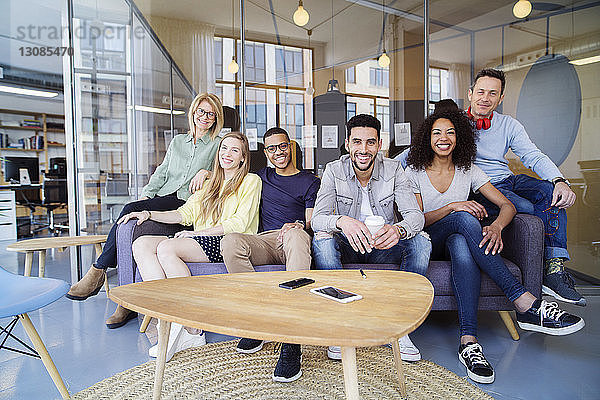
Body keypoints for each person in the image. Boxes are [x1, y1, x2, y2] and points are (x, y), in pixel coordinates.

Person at [405, 109, 584, 384]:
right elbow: (418, 220)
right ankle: (525, 301)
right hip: (427, 239)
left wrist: (497, 226)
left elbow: (507, 205)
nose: (444, 138)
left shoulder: (469, 170)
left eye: (451, 132)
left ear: (459, 138)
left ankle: (469, 342)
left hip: (456, 239)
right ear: (427, 139)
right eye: (437, 133)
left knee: (463, 245)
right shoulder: (414, 171)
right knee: (464, 218)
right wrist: (453, 206)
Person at [66, 92, 225, 329]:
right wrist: (147, 196)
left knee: (129, 210)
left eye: (211, 114)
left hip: (187, 203)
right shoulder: (178, 142)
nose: (205, 117)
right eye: (201, 111)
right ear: (193, 112)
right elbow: (162, 172)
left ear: (216, 118)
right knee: (130, 223)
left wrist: (207, 173)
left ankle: (98, 271)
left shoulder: (218, 144)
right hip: (164, 196)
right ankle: (127, 300)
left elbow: (228, 171)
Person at [118, 131, 261, 362]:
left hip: (228, 242)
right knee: (142, 244)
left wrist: (197, 234)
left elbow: (239, 223)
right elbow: (185, 213)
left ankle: (192, 327)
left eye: (235, 150)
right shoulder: (208, 183)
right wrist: (147, 213)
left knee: (168, 248)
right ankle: (168, 317)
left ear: (243, 158)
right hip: (199, 239)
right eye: (224, 148)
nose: (227, 154)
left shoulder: (250, 181)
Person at [311, 114, 431, 362]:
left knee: (422, 240)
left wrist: (398, 230)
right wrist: (342, 221)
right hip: (349, 244)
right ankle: (341, 327)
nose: (363, 150)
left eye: (370, 143)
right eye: (357, 142)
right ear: (347, 144)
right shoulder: (334, 170)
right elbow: (317, 220)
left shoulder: (395, 170)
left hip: (382, 244)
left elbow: (416, 217)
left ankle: (399, 327)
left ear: (379, 144)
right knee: (322, 239)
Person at [465, 68, 585, 306]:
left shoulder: (508, 124)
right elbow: (425, 147)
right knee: (523, 205)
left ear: (500, 98)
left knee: (550, 193)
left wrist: (560, 180)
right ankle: (542, 269)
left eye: (492, 93)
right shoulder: (455, 122)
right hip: (483, 186)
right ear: (470, 94)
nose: (485, 98)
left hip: (508, 179)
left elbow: (533, 155)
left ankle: (553, 269)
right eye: (480, 92)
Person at [221, 127, 320, 383]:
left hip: (295, 236)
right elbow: (227, 170)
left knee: (297, 234)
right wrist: (204, 172)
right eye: (272, 148)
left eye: (283, 146)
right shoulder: (259, 177)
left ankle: (291, 340)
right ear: (265, 152)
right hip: (265, 241)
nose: (279, 152)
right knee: (231, 241)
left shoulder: (310, 180)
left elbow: (311, 221)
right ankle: (257, 321)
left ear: (291, 146)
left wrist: (297, 224)